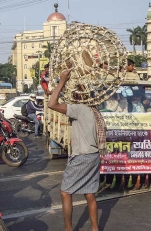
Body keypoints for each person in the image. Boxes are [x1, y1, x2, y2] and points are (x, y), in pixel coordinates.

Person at [48, 69, 104, 231]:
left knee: (65, 192)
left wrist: (62, 81)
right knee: (90, 194)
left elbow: (52, 104)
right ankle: (95, 228)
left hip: (82, 157)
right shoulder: (95, 110)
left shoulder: (79, 109)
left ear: (80, 96)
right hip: (94, 156)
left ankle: (68, 229)